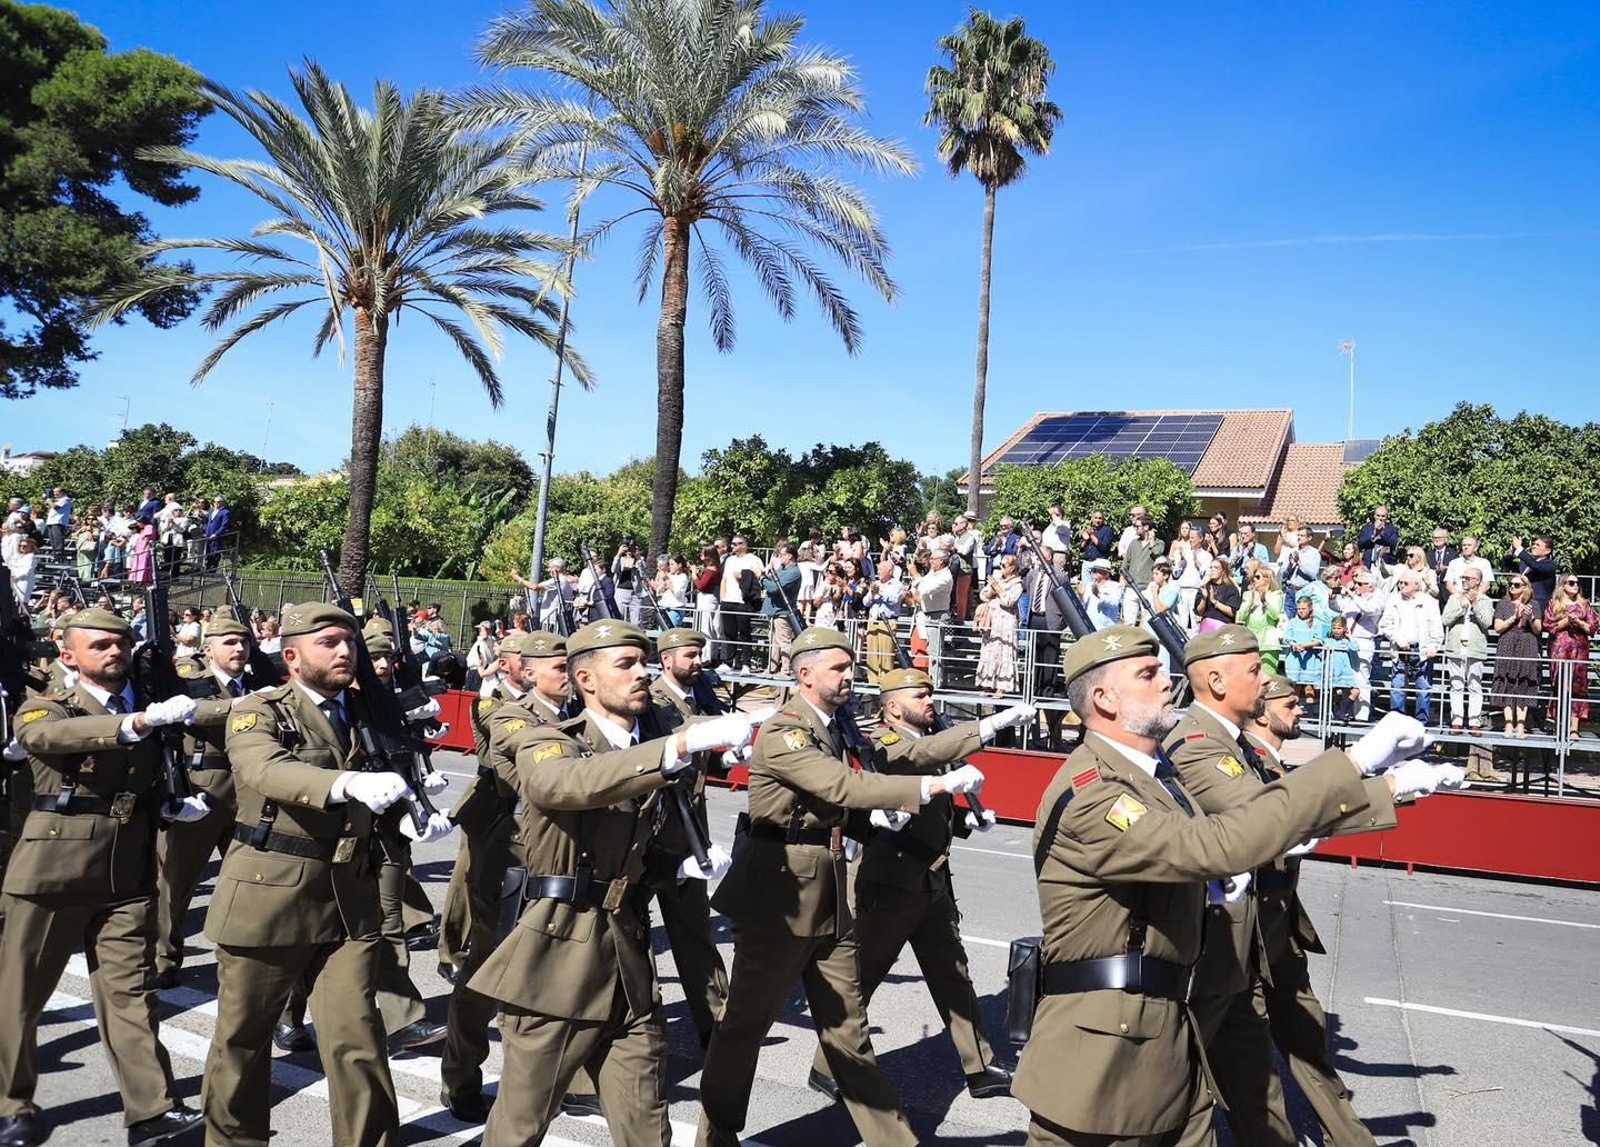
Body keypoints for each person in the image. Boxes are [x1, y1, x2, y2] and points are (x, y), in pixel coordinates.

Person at [1018, 625, 1451, 1147]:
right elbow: (1212, 842)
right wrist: (1359, 766)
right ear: (1105, 699)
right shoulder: (1094, 792)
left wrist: (1210, 886)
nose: (1167, 682)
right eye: (1149, 674)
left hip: (1170, 1031)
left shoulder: (1156, 775)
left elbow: (1208, 845)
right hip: (1104, 1054)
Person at [468, 622, 756, 1146]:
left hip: (628, 962)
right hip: (558, 962)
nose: (641, 671)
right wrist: (675, 749)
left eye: (642, 662)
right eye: (624, 663)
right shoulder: (551, 740)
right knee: (521, 1127)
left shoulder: (651, 755)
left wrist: (682, 867)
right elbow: (561, 784)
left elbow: (642, 854)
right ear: (586, 679)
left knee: (648, 1128)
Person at [697, 626, 987, 1147]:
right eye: (838, 667)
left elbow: (838, 810)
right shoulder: (787, 729)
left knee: (849, 1030)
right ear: (804, 674)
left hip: (829, 885)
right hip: (780, 892)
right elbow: (840, 786)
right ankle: (715, 1134)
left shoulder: (836, 728)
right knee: (744, 1024)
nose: (850, 675)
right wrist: (931, 785)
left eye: (851, 666)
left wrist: (872, 823)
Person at [1163, 626, 1406, 1147]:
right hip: (1215, 944)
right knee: (1177, 1089)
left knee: (1259, 1094)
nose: (1262, 678)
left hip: (1257, 933)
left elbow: (1287, 807)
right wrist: (1377, 778)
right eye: (1253, 670)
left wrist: (1388, 789)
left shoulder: (1233, 744)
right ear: (1215, 680)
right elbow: (1270, 813)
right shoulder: (1196, 744)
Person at [200, 602, 411, 1146]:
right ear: (291, 656)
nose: (346, 651)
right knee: (243, 1040)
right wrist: (342, 785)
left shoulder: (371, 712)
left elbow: (394, 774)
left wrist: (414, 811)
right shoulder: (260, 709)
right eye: (330, 643)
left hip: (348, 896)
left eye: (350, 642)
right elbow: (261, 766)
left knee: (357, 1037)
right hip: (270, 891)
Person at [0, 609, 207, 1147]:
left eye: (121, 643)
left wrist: (174, 802)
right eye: (99, 645)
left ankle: (152, 1110)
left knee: (132, 995)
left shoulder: (148, 702)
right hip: (55, 870)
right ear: (68, 655)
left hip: (128, 872)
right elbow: (48, 739)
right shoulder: (47, 704)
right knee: (20, 996)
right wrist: (134, 724)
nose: (114, 651)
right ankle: (11, 1103)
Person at [806, 668, 1029, 1102]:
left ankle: (979, 1066)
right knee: (861, 979)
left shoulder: (927, 742)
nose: (930, 700)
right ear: (892, 706)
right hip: (889, 886)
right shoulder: (885, 743)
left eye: (931, 692)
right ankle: (826, 1065)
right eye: (919, 694)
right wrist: (989, 725)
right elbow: (914, 761)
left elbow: (930, 805)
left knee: (953, 976)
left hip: (931, 881)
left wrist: (966, 819)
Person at [440, 631, 583, 1124]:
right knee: (486, 972)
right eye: (559, 668)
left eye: (571, 666)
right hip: (512, 859)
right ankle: (461, 1077)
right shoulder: (508, 713)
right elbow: (537, 770)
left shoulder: (580, 717)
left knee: (565, 971)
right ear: (528, 673)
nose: (569, 675)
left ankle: (567, 1081)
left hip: (564, 863)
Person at [1246, 677, 1385, 1147]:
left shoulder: (1271, 762)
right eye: (1291, 704)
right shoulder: (1240, 761)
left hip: (1278, 932)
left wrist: (1391, 790)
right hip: (1245, 938)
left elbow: (1313, 811)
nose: (1301, 711)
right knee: (1234, 1065)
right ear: (1263, 712)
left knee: (1309, 1043)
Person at [153, 617, 256, 991]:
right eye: (229, 642)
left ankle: (242, 960)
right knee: (176, 882)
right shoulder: (191, 679)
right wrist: (246, 705)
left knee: (249, 884)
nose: (239, 649)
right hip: (202, 789)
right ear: (208, 649)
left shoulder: (257, 682)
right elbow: (192, 710)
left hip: (247, 792)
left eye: (244, 643)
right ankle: (163, 957)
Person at [645, 628, 733, 1049]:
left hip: (691, 827)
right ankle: (639, 1021)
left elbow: (706, 756)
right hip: (653, 829)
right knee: (628, 929)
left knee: (694, 929)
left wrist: (727, 753)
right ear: (667, 660)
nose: (699, 661)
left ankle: (715, 1019)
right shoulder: (655, 702)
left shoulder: (701, 695)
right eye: (690, 655)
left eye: (700, 654)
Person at [1380, 570, 1444, 723]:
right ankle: (1396, 722)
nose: (1401, 585)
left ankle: (1421, 723)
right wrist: (1398, 639)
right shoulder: (1394, 600)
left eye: (1405, 583)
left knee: (1423, 688)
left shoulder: (1427, 601)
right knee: (1397, 687)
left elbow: (1436, 626)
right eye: (1400, 582)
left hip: (1421, 651)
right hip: (1400, 650)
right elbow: (1385, 625)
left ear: (1416, 585)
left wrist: (1433, 646)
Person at [1441, 569, 1494, 733]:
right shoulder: (1454, 598)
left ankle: (1474, 722)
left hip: (1475, 648)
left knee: (1474, 686)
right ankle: (1456, 721)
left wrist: (1475, 604)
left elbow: (1486, 622)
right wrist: (1460, 607)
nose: (1464, 580)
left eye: (1468, 578)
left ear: (1477, 581)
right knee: (1456, 685)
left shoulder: (1485, 600)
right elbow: (1445, 620)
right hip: (1456, 647)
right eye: (1462, 577)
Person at [1491, 574, 1543, 738]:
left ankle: (1520, 725)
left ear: (1525, 588)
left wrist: (1532, 617)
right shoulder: (1503, 604)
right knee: (1506, 680)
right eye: (1511, 584)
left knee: (1524, 683)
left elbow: (1538, 630)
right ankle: (1508, 724)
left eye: (1517, 584)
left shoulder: (1533, 604)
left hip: (1527, 643)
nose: (1512, 587)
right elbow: (1498, 627)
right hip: (1507, 642)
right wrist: (1515, 617)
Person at [1545, 576, 1597, 732]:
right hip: (1559, 647)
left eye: (1577, 583)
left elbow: (1593, 628)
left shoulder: (1584, 605)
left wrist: (1579, 622)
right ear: (1563, 585)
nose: (1575, 585)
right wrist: (1567, 621)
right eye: (1571, 583)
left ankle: (1574, 728)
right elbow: (1548, 626)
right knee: (1560, 684)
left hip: (1579, 648)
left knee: (1578, 686)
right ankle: (1559, 725)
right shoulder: (1554, 604)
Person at [976, 553, 1024, 695]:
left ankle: (1002, 686)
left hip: (1006, 623)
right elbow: (983, 595)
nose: (1001, 568)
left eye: (1004, 565)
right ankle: (988, 683)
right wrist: (992, 588)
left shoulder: (1017, 584)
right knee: (989, 652)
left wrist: (999, 589)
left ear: (1012, 568)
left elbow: (1008, 601)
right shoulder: (998, 579)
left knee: (1005, 652)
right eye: (1000, 565)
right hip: (993, 622)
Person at [718, 536, 764, 671]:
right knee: (729, 633)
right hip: (728, 600)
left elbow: (759, 574)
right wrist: (722, 598)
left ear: (744, 545)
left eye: (736, 544)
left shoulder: (753, 559)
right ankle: (727, 662)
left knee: (744, 634)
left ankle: (746, 663)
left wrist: (743, 575)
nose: (733, 546)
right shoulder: (730, 560)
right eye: (732, 544)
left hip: (743, 601)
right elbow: (724, 579)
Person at [911, 549, 954, 685]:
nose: (930, 561)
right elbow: (922, 585)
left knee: (936, 650)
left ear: (941, 561)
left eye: (933, 559)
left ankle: (936, 681)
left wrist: (915, 575)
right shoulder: (932, 573)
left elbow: (925, 589)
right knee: (929, 649)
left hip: (938, 615)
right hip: (927, 614)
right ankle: (931, 678)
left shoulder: (945, 577)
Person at [761, 541, 803, 675]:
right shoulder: (782, 569)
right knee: (774, 642)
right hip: (774, 612)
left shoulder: (794, 572)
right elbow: (771, 581)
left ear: (790, 556)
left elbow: (774, 587)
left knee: (784, 641)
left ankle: (785, 669)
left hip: (783, 612)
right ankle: (772, 667)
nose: (780, 557)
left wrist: (761, 578)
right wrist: (767, 573)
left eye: (782, 555)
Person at [1238, 565, 1286, 676]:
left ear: (1267, 579)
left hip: (1268, 639)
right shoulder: (1248, 594)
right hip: (1250, 638)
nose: (1254, 579)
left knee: (1268, 675)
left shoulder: (1276, 594)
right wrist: (1249, 605)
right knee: (1250, 675)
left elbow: (1275, 615)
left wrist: (1265, 602)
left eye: (1257, 577)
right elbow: (1240, 616)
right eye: (1254, 577)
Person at [1508, 535, 1559, 614]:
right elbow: (1508, 565)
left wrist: (1519, 548)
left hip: (1539, 606)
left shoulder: (1550, 565)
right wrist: (1512, 551)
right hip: (1521, 603)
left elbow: (1535, 566)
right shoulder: (1525, 564)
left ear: (1548, 550)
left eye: (1537, 545)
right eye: (1534, 544)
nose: (1534, 546)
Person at [948, 515, 983, 624]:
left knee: (961, 597)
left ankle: (961, 620)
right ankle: (954, 616)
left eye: (956, 523)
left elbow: (965, 550)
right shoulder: (957, 537)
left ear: (963, 525)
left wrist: (954, 545)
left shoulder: (970, 537)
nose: (954, 525)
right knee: (954, 595)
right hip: (955, 571)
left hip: (964, 571)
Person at [1193, 558, 1240, 635]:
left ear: (1223, 571)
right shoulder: (1205, 587)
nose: (1212, 570)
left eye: (1216, 567)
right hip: (1206, 626)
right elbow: (1199, 612)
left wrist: (1215, 602)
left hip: (1223, 626)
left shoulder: (1231, 589)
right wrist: (1204, 598)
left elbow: (1232, 612)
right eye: (1211, 567)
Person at [1079, 509, 1114, 583]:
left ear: (1103, 519)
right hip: (1086, 563)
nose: (1097, 520)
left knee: (1097, 588)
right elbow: (1081, 549)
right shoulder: (1090, 529)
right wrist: (1085, 539)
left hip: (1098, 563)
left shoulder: (1107, 531)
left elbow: (1104, 547)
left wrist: (1092, 536)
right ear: (1092, 518)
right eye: (1095, 518)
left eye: (1100, 518)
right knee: (1086, 588)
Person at [203, 495, 230, 571]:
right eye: (215, 502)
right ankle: (207, 569)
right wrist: (204, 531)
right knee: (208, 553)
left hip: (216, 536)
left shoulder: (226, 512)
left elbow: (224, 525)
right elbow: (207, 523)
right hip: (208, 535)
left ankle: (212, 570)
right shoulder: (211, 511)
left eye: (219, 502)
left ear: (222, 503)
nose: (217, 503)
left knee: (215, 553)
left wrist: (216, 534)